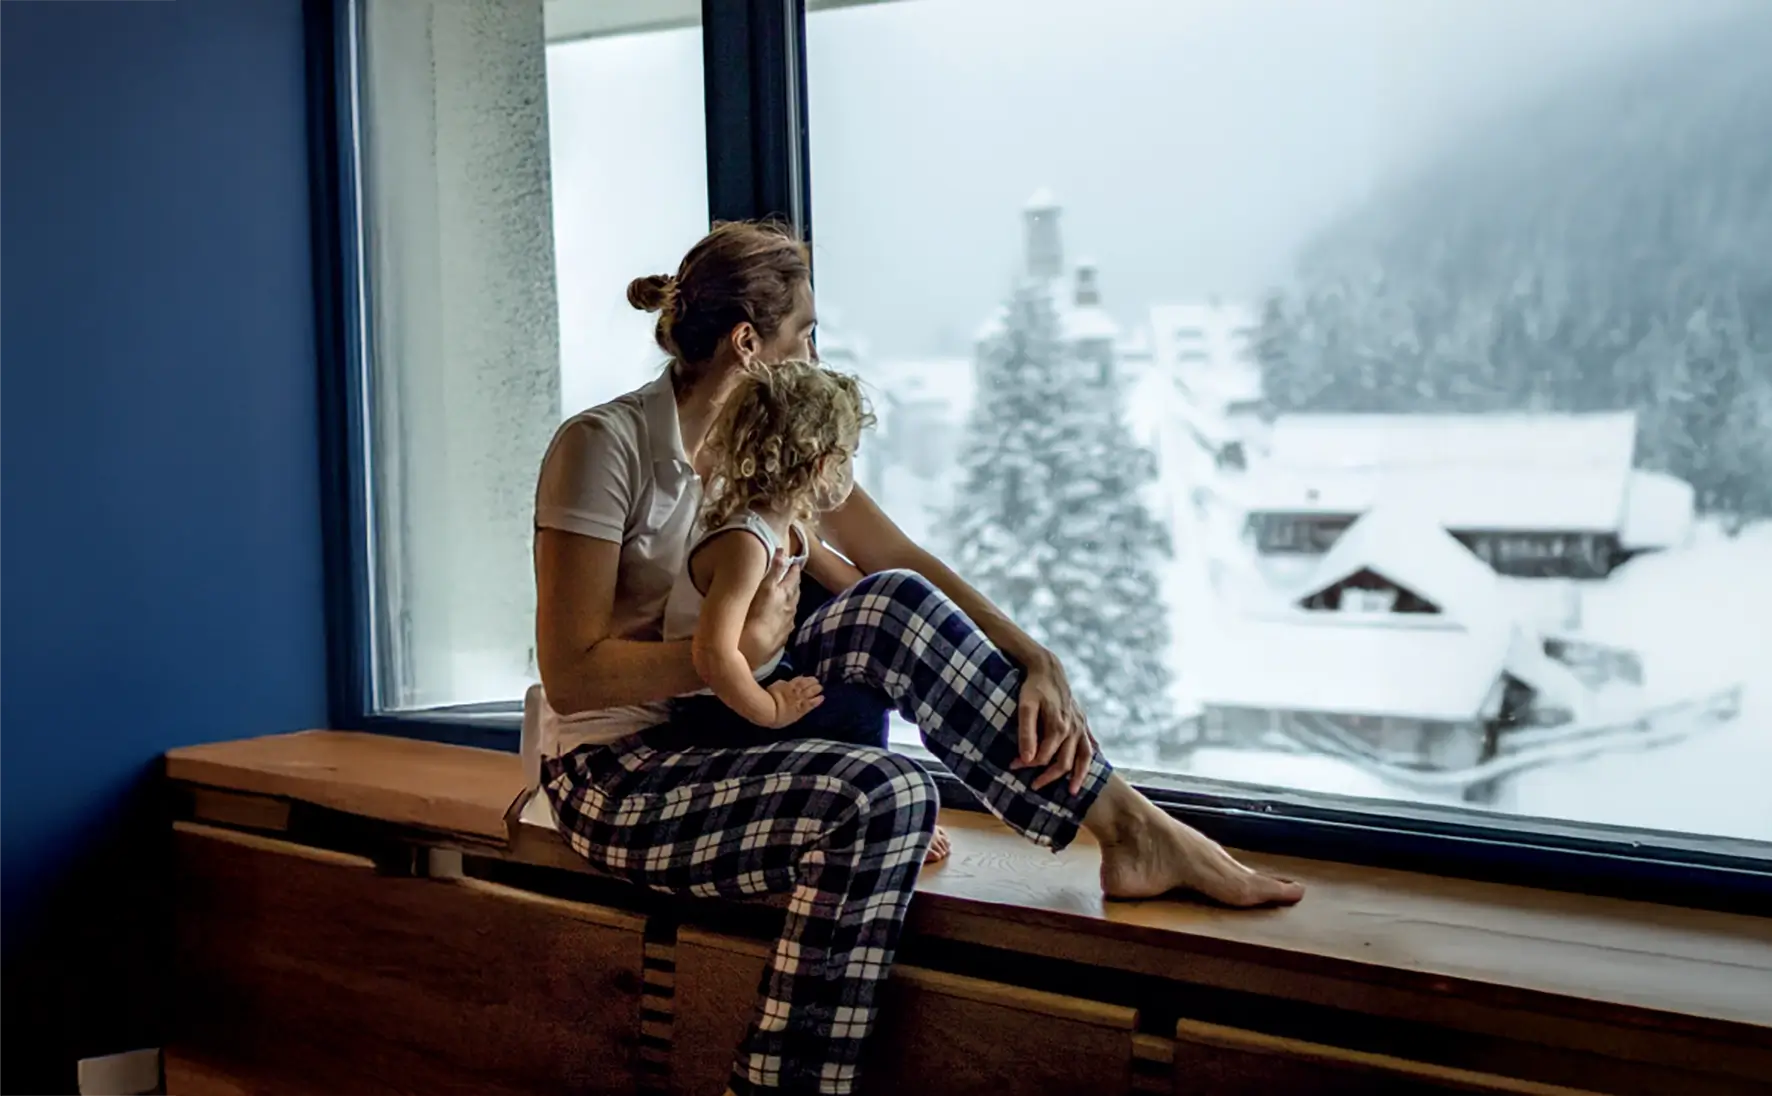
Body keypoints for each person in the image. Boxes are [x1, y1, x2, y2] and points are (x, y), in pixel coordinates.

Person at [533, 220, 1303, 1096]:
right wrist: (730, 656)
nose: (817, 349)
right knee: (890, 797)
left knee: (887, 609)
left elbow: (895, 564)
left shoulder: (767, 449)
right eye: (806, 332)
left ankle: (1128, 827)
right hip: (613, 774)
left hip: (722, 728)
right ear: (751, 343)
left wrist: (1034, 650)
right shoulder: (603, 447)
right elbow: (574, 673)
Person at [657, 359, 952, 863]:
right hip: (715, 714)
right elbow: (711, 653)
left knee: (861, 687)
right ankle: (882, 814)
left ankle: (877, 804)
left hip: (764, 682)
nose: (849, 473)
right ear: (820, 468)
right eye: (847, 458)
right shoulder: (745, 543)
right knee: (855, 709)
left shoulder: (791, 529)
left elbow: (867, 597)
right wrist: (771, 710)